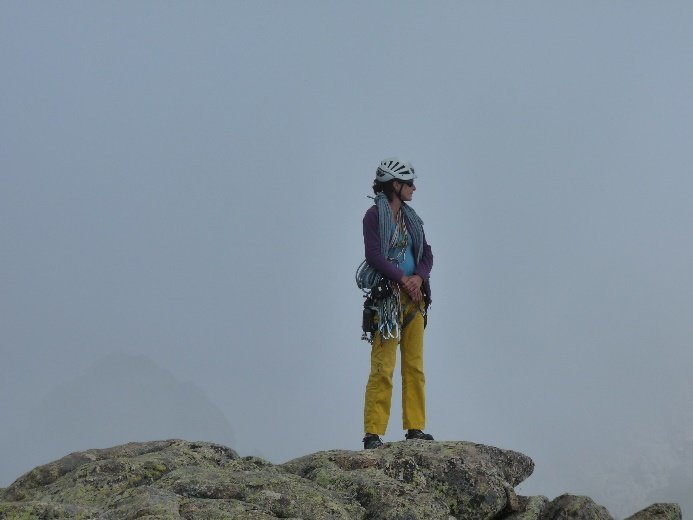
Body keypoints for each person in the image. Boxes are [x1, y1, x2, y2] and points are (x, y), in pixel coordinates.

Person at [357, 157, 434, 449]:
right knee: (383, 366)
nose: (414, 188)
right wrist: (405, 279)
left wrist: (419, 278)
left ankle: (415, 427)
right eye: (409, 183)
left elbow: (427, 253)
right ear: (395, 185)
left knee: (414, 365)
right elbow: (374, 255)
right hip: (387, 299)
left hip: (415, 298)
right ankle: (373, 432)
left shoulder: (412, 218)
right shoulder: (374, 216)